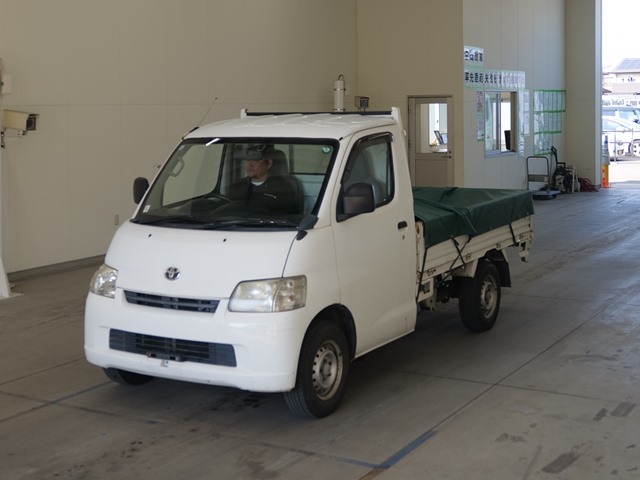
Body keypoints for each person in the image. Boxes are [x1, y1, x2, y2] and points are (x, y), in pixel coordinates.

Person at [227, 147, 301, 214]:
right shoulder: (237, 186)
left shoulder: (283, 189)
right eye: (248, 160)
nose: (250, 164)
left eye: (256, 160)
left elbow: (290, 218)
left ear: (269, 164)